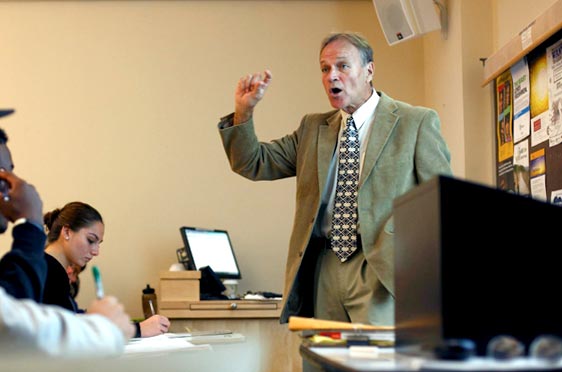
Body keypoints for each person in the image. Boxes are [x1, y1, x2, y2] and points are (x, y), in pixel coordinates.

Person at [218, 32, 452, 325]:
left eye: (342, 66)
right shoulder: (313, 128)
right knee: (323, 362)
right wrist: (244, 111)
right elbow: (252, 162)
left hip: (380, 268)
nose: (332, 76)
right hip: (323, 268)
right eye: (325, 69)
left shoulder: (414, 122)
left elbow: (441, 201)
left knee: (374, 364)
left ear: (369, 70)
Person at [0, 108, 135, 356]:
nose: (14, 185)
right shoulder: (49, 267)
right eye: (3, 175)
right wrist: (29, 223)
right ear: (66, 232)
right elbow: (15, 329)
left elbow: (17, 313)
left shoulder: (50, 268)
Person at [43, 201, 170, 337]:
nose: (96, 252)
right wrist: (137, 330)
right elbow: (66, 336)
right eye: (91, 240)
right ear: (67, 232)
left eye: (99, 244)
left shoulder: (50, 267)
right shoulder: (49, 271)